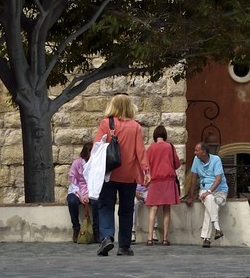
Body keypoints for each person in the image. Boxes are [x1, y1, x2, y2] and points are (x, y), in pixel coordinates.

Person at [93, 93, 146, 258]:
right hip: (129, 175)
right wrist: (146, 170)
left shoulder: (105, 124)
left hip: (109, 173)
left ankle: (107, 237)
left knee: (105, 206)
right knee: (126, 210)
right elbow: (140, 151)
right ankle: (124, 246)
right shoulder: (136, 127)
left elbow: (96, 148)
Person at [184, 140, 228, 246]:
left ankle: (207, 239)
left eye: (197, 150)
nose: (194, 152)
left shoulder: (216, 160)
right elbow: (193, 178)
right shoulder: (196, 160)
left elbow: (218, 179)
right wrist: (191, 196)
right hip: (204, 189)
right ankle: (217, 229)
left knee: (210, 203)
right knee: (209, 200)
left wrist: (209, 191)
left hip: (219, 191)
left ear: (203, 152)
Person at [144, 123, 181, 245]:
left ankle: (149, 238)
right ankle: (165, 238)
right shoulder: (170, 147)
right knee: (166, 209)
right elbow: (176, 164)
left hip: (155, 181)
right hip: (168, 180)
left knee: (153, 209)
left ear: (155, 136)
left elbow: (146, 165)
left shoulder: (151, 148)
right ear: (165, 135)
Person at [66, 140, 93, 244]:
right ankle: (76, 228)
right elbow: (73, 182)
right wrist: (81, 195)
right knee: (72, 201)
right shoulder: (77, 163)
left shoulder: (95, 164)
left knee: (97, 203)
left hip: (90, 191)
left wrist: (88, 194)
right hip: (78, 191)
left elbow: (95, 181)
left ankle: (96, 229)